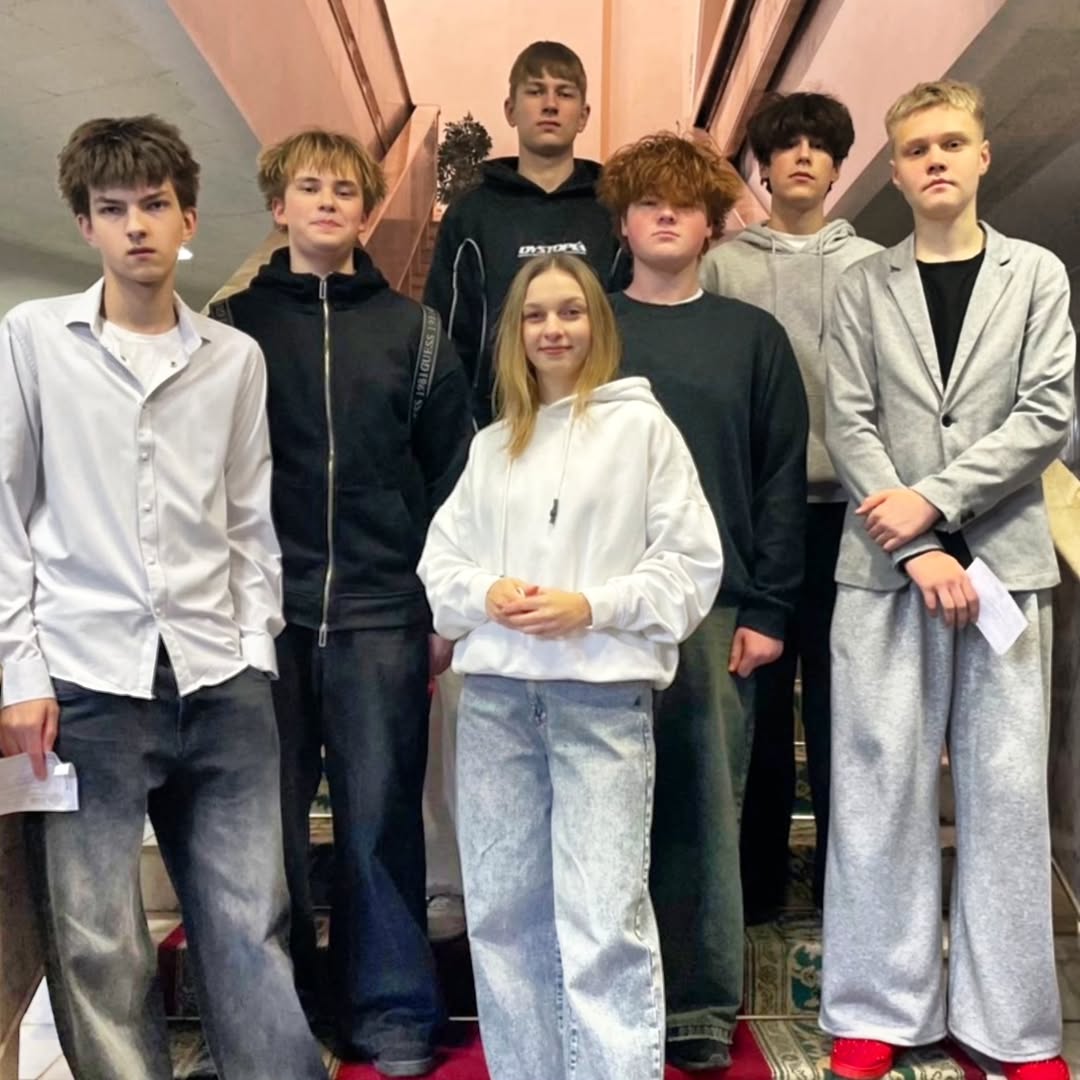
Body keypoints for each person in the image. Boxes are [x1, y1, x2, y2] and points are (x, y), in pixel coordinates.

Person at [0, 115, 327, 1079]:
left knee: (250, 922)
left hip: (220, 674)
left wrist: (255, 649)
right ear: (85, 223)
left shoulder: (233, 357)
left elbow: (248, 516)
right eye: (113, 209)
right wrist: (20, 675)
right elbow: (7, 514)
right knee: (99, 941)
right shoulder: (33, 340)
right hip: (85, 680)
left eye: (154, 205)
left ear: (188, 218)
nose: (136, 225)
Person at [418, 252, 723, 1080]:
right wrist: (486, 592)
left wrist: (593, 606)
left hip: (600, 704)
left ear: (598, 324)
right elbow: (441, 565)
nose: (552, 329)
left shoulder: (643, 431)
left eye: (570, 311)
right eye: (535, 315)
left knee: (602, 921)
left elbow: (691, 564)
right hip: (496, 704)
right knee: (503, 916)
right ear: (515, 334)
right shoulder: (493, 447)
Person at [821, 80, 1073, 1080]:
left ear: (982, 157)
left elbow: (1046, 413)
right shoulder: (862, 286)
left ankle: (1009, 1025)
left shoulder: (1037, 274)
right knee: (879, 788)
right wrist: (915, 544)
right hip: (884, 573)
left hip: (1006, 561)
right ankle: (878, 1007)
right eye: (917, 147)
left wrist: (935, 505)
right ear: (894, 170)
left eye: (952, 143)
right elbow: (849, 422)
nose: (934, 159)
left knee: (1006, 795)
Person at [214, 129, 473, 1077]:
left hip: (381, 611)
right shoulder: (230, 325)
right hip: (261, 617)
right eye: (309, 187)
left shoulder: (417, 332)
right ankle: (280, 1017)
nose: (327, 202)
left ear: (366, 211)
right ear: (278, 205)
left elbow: (455, 478)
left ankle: (393, 1012)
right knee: (264, 832)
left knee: (378, 822)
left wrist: (439, 608)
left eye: (345, 190)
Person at [599, 132, 808, 1070]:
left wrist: (768, 608)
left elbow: (778, 480)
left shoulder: (753, 339)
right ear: (624, 221)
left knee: (701, 814)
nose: (666, 217)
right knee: (602, 811)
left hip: (715, 612)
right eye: (649, 203)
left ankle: (697, 1011)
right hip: (597, 608)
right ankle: (605, 999)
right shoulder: (586, 327)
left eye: (684, 205)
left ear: (712, 224)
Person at [699, 91, 881, 918]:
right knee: (761, 711)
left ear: (838, 166)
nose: (803, 155)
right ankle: (757, 891)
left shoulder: (877, 266)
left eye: (819, 145)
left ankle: (851, 890)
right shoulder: (722, 268)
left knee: (849, 710)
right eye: (786, 144)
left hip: (856, 517)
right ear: (764, 168)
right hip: (755, 519)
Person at [424, 39, 628, 427]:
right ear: (510, 109)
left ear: (583, 115)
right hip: (495, 426)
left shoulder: (614, 210)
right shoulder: (471, 214)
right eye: (535, 92)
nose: (550, 105)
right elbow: (446, 336)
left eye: (564, 93)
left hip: (600, 424)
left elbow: (631, 325)